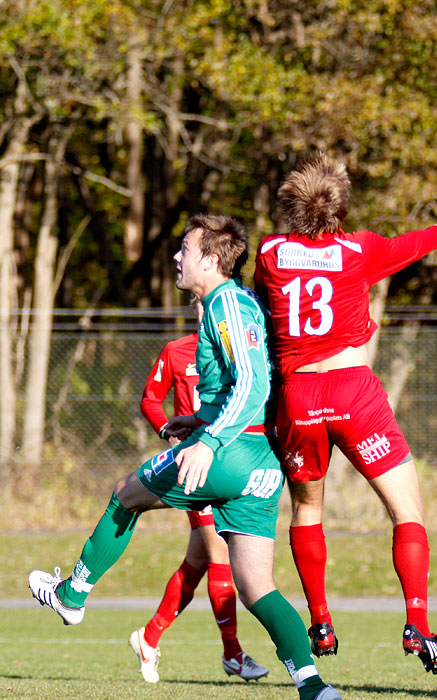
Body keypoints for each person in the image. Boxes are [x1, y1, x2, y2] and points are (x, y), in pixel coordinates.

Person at [29, 213, 342, 700]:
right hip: (260, 462)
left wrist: (209, 441)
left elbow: (255, 383)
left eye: (186, 249)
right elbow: (246, 384)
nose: (177, 257)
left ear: (211, 261)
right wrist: (197, 421)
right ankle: (313, 685)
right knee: (256, 586)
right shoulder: (239, 305)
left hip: (229, 451)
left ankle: (72, 596)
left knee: (124, 496)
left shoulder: (226, 305)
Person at [254, 153, 437, 674]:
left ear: (290, 206)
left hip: (298, 398)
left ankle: (322, 620)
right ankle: (417, 624)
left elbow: (267, 299)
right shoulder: (359, 249)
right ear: (341, 208)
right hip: (353, 391)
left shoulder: (270, 253)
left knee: (308, 510)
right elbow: (407, 246)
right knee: (407, 513)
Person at [128, 295, 268, 683]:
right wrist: (167, 432)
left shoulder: (242, 351)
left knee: (198, 563)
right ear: (196, 307)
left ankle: (149, 638)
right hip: (195, 464)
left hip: (231, 463)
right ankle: (232, 652)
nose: (213, 312)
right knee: (219, 551)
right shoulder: (176, 351)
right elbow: (150, 398)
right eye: (205, 305)